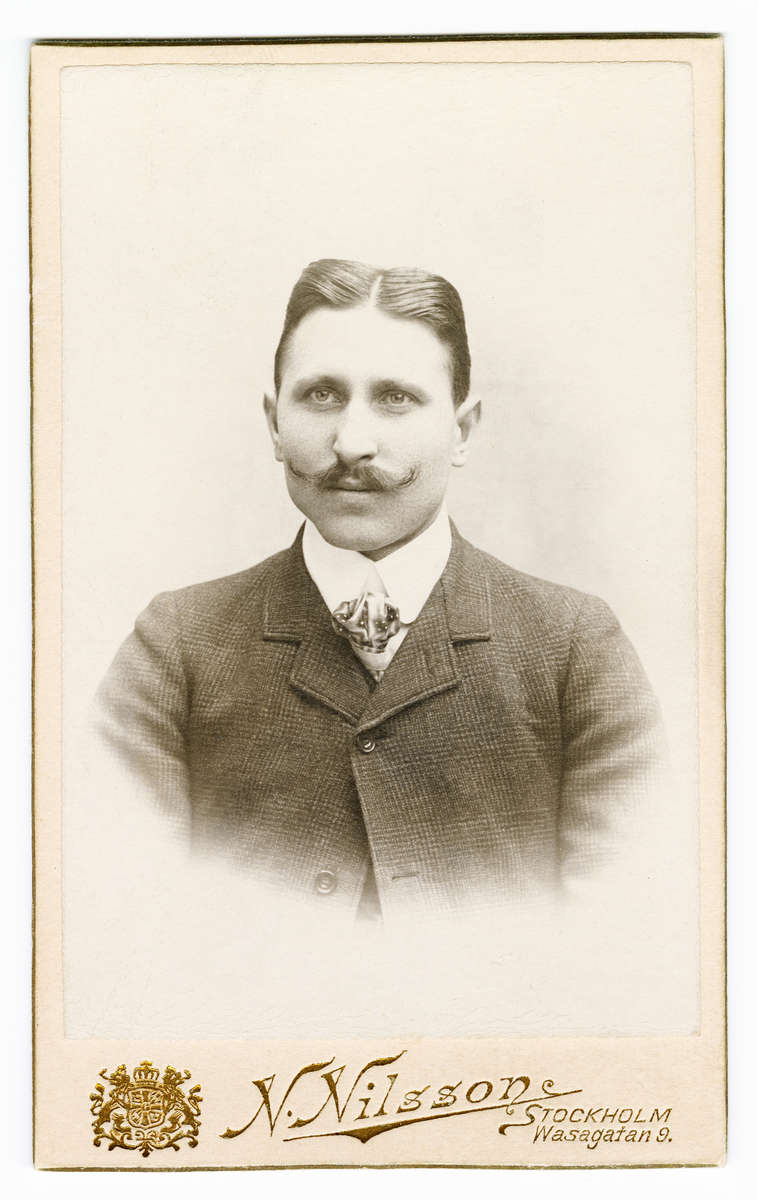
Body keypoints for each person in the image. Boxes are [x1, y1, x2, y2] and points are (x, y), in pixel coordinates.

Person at [95, 258, 665, 924]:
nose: (352, 443)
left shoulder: (575, 646)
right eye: (320, 395)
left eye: (395, 398)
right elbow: (130, 919)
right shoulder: (176, 645)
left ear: (462, 430)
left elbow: (621, 932)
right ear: (275, 422)